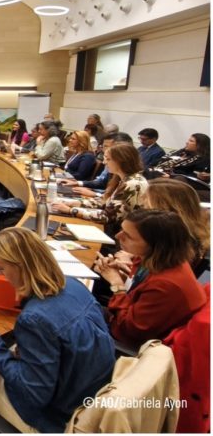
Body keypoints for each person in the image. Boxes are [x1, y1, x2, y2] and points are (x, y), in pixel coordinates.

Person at [0, 227, 115, 432]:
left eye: (2, 269)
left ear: (19, 268)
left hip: (60, 418)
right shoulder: (74, 284)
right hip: (90, 395)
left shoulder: (34, 319)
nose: (1, 275)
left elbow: (32, 395)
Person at [95, 210, 207, 348]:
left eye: (128, 236)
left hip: (129, 341)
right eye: (122, 230)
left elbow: (127, 330)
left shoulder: (166, 284)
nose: (118, 236)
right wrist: (123, 278)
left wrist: (116, 284)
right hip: (121, 320)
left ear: (155, 245)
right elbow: (139, 294)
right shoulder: (157, 259)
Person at [53, 143, 148, 238]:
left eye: (108, 159)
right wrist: (72, 203)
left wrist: (71, 210)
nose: (104, 162)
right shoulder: (125, 178)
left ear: (121, 161)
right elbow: (104, 201)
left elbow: (107, 217)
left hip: (118, 235)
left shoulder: (132, 184)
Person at [143, 178, 210, 276]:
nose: (142, 208)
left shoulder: (173, 240)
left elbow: (152, 275)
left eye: (146, 204)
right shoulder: (193, 231)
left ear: (163, 207)